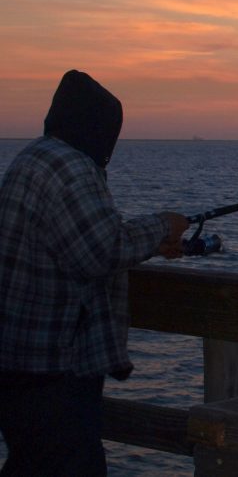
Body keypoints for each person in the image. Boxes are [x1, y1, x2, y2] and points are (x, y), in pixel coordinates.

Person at [0, 70, 189, 476]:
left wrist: (150, 243)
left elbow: (75, 239)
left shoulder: (35, 157)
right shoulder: (71, 168)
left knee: (30, 464)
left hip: (21, 360)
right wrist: (162, 226)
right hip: (53, 368)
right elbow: (101, 249)